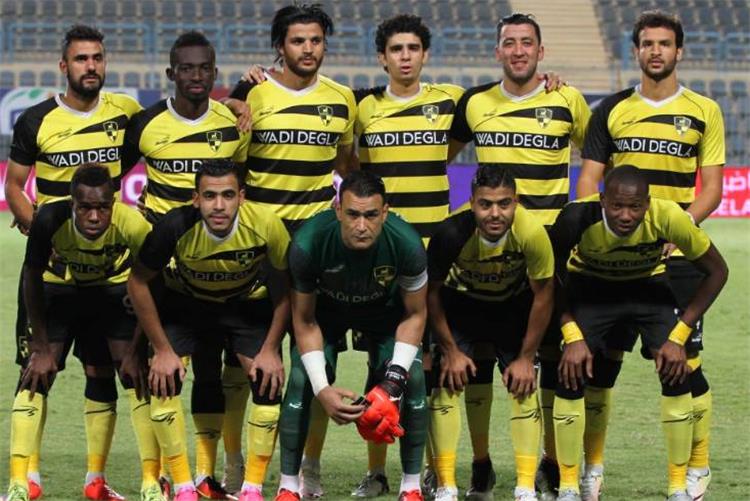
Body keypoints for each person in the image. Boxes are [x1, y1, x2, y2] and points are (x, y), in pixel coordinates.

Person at [575, 11, 725, 500]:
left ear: (679, 51)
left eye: (664, 43)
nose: (655, 51)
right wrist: (599, 230)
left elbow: (712, 188)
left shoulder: (704, 110)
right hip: (616, 258)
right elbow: (590, 179)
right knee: (603, 366)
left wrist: (678, 231)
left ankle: (696, 467)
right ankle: (593, 469)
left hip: (677, 258)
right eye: (647, 43)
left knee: (684, 364)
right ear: (636, 50)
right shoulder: (611, 109)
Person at [447, 13, 591, 499]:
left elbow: (599, 155)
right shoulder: (475, 102)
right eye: (509, 43)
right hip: (492, 252)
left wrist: (582, 213)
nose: (518, 51)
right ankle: (481, 465)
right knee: (482, 358)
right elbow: (438, 156)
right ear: (497, 52)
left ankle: (549, 462)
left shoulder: (566, 99)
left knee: (550, 360)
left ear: (541, 51)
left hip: (550, 251)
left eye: (527, 42)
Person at [3, 25, 144, 501]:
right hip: (54, 275)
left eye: (97, 57)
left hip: (109, 273)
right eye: (81, 59)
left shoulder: (126, 113)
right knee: (37, 368)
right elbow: (14, 185)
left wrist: (240, 95)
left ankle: (95, 481)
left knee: (102, 372)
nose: (91, 66)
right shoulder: (36, 119)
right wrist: (40, 231)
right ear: (64, 66)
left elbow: (172, 127)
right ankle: (24, 481)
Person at [122, 31, 253, 499]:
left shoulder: (232, 123)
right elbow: (109, 180)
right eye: (186, 68)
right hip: (161, 270)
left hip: (218, 268)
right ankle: (156, 475)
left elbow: (241, 186)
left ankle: (206, 473)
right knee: (152, 369)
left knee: (212, 372)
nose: (196, 76)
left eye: (204, 68)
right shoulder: (145, 123)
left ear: (214, 73)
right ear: (170, 73)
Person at [548, 166, 728, 501]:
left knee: (677, 370)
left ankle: (677, 487)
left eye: (634, 207)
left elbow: (717, 271)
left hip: (648, 289)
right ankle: (571, 486)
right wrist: (570, 333)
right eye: (617, 206)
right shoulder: (576, 217)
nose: (625, 215)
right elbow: (547, 275)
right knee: (571, 372)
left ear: (647, 203)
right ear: (602, 200)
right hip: (592, 288)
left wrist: (679, 336)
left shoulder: (669, 217)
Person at [126, 160, 290, 501]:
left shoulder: (266, 224)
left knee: (268, 380)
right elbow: (138, 282)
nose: (219, 205)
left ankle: (252, 489)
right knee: (164, 379)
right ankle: (183, 486)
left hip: (244, 305)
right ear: (195, 199)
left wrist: (271, 348)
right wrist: (163, 350)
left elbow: (286, 288)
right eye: (210, 196)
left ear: (241, 197)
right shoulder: (174, 226)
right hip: (187, 304)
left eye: (228, 195)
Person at [4, 164, 153, 501]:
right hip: (56, 290)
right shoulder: (48, 220)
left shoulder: (133, 224)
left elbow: (152, 283)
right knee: (35, 373)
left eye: (102, 207)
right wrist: (41, 346)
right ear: (72, 204)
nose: (94, 216)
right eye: (85, 207)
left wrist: (136, 350)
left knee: (118, 375)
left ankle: (107, 482)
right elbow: (31, 275)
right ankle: (21, 483)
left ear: (114, 204)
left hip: (108, 291)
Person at [277, 170, 428, 501]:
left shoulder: (407, 245)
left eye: (371, 215)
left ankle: (411, 487)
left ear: (385, 212)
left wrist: (393, 382)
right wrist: (322, 389)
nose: (361, 225)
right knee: (301, 379)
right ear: (337, 210)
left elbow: (415, 315)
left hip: (385, 315)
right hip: (326, 315)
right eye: (353, 215)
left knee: (415, 377)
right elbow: (304, 320)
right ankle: (288, 487)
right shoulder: (308, 242)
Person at [427, 166, 554, 501]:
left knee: (524, 384)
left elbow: (543, 295)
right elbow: (431, 293)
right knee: (446, 383)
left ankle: (525, 487)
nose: (495, 213)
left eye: (504, 204)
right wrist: (450, 351)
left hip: (512, 306)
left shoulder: (531, 232)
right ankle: (447, 485)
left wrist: (526, 357)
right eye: (485, 204)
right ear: (472, 203)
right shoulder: (451, 232)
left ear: (516, 202)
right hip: (462, 305)